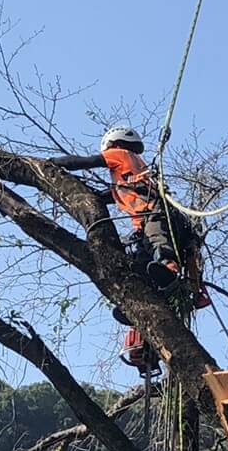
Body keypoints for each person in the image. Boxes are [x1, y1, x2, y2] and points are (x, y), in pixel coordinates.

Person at [59, 125, 201, 374]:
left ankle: (169, 267)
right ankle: (147, 301)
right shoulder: (129, 177)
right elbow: (105, 196)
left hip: (155, 214)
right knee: (138, 262)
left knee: (157, 241)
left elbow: (86, 161)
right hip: (153, 222)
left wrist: (54, 164)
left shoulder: (121, 154)